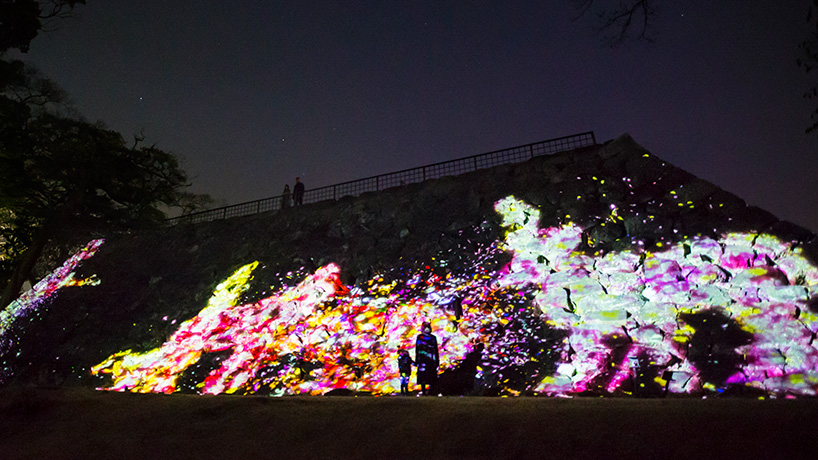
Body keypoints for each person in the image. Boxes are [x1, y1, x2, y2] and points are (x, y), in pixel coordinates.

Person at [415, 321, 439, 395]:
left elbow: (436, 349)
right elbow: (417, 349)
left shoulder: (433, 338)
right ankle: (423, 390)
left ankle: (431, 390)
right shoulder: (419, 337)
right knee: (423, 376)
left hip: (431, 360)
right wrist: (417, 360)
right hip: (422, 359)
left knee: (431, 375)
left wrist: (437, 361)